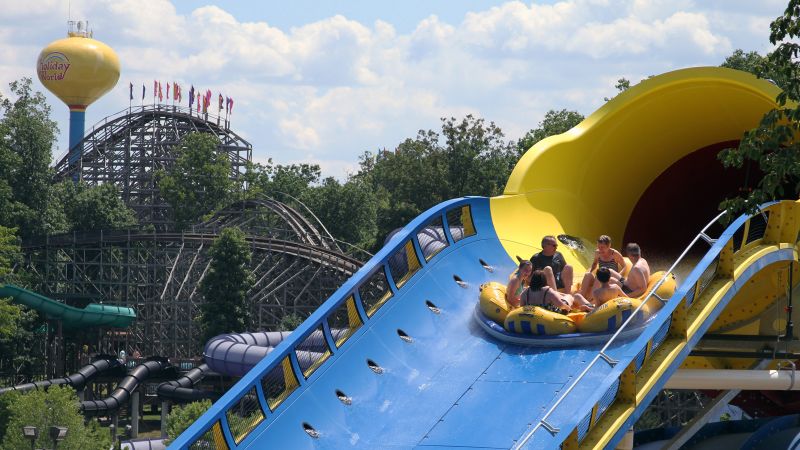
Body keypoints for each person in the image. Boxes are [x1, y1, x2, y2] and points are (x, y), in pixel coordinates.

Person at [520, 270, 593, 313]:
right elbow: (560, 305)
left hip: (537, 314)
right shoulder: (547, 290)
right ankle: (591, 308)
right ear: (544, 280)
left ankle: (581, 307)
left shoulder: (525, 292)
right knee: (572, 296)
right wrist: (568, 308)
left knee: (565, 296)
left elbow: (522, 308)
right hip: (554, 314)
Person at [580, 235, 626, 300]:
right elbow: (595, 264)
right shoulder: (597, 253)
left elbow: (625, 266)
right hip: (601, 277)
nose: (600, 249)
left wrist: (619, 276)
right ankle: (581, 297)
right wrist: (590, 272)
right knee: (588, 275)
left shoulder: (614, 254)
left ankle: (591, 300)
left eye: (602, 247)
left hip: (609, 278)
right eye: (598, 246)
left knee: (598, 277)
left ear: (609, 246)